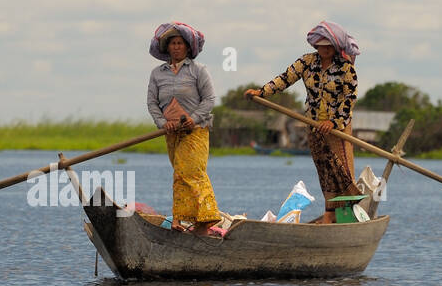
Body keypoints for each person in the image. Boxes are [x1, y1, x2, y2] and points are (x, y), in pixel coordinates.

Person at [246, 21, 360, 224]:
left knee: (341, 171)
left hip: (338, 129)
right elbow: (284, 79)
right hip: (314, 126)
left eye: (328, 46)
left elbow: (349, 98)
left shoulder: (345, 68)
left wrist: (334, 122)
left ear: (335, 47)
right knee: (325, 171)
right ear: (315, 46)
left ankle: (347, 214)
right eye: (321, 46)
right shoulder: (307, 62)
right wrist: (261, 92)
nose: (324, 50)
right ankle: (330, 213)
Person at [146, 22, 222, 236]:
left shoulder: (198, 70)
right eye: (172, 43)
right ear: (167, 48)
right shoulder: (157, 74)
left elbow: (209, 99)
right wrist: (163, 123)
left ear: (188, 48)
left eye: (180, 43)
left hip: (195, 130)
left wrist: (194, 118)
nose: (176, 47)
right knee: (179, 174)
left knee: (192, 172)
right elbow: (152, 103)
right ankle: (179, 220)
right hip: (171, 133)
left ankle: (206, 219)